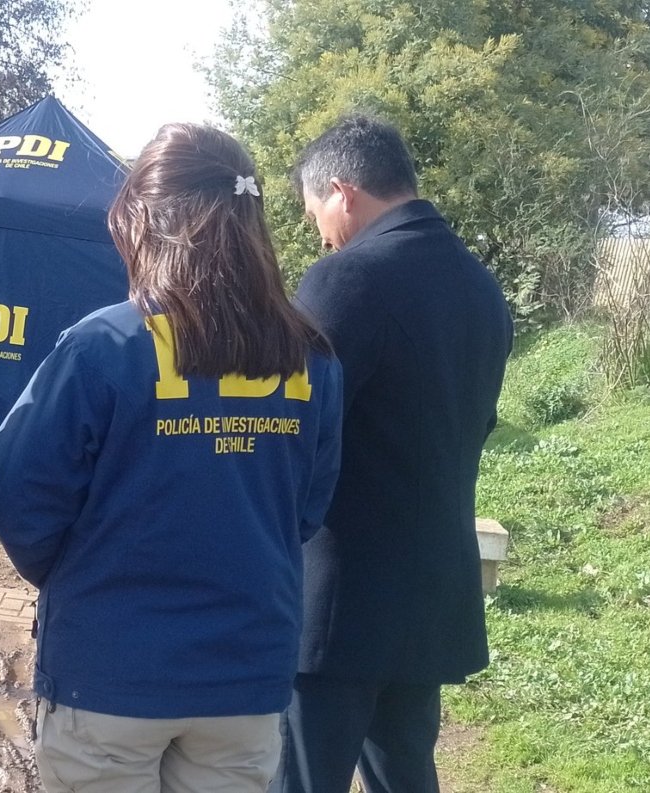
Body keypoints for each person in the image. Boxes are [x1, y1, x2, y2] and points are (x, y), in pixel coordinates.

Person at [0, 123, 344, 793]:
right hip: (245, 672)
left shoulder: (101, 346)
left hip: (110, 670)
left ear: (145, 220)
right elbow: (304, 510)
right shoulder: (312, 357)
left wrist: (77, 575)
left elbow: (20, 497)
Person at [273, 116, 514, 793]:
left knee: (300, 780)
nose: (320, 234)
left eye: (315, 213)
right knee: (406, 775)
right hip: (431, 594)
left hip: (339, 601)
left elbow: (290, 429)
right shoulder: (482, 288)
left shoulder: (345, 278)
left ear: (343, 191)